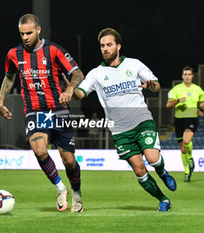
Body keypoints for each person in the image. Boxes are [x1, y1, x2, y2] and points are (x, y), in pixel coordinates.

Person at [73, 28, 176, 212]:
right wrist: (70, 90)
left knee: (152, 158)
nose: (105, 48)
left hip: (142, 120)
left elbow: (156, 85)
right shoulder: (96, 74)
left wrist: (152, 85)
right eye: (102, 45)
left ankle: (162, 171)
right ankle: (163, 199)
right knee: (139, 170)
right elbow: (80, 93)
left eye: (109, 45)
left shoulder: (134, 64)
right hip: (120, 131)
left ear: (118, 46)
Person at [0, 14, 84, 212]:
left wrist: (69, 89)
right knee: (40, 150)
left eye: (28, 33)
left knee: (69, 161)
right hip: (35, 111)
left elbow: (77, 73)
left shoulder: (53, 50)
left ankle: (77, 193)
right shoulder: (14, 54)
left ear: (38, 30)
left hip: (59, 110)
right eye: (21, 34)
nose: (25, 37)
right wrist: (0, 101)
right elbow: (9, 77)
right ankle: (61, 189)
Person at [166, 66, 204, 182]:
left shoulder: (198, 89)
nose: (187, 76)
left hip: (192, 118)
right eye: (185, 74)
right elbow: (168, 104)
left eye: (189, 74)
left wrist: (201, 109)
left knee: (187, 140)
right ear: (182, 76)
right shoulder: (176, 90)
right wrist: (178, 101)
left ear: (192, 76)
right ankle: (186, 171)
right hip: (179, 120)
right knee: (183, 148)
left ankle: (190, 158)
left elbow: (203, 101)